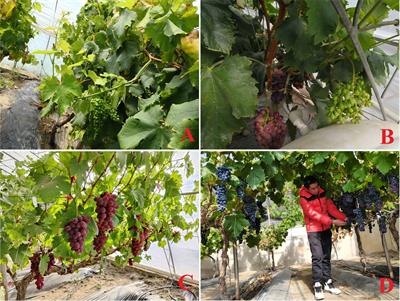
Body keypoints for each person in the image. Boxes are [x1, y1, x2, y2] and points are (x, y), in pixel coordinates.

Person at [299, 176, 348, 300]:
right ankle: (317, 285)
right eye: (313, 188)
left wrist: (343, 217)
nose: (316, 190)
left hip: (325, 229)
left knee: (326, 256)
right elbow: (312, 214)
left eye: (317, 187)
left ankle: (328, 283)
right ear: (307, 188)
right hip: (313, 231)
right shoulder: (303, 198)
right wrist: (332, 221)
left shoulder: (323, 193)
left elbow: (331, 208)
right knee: (317, 257)